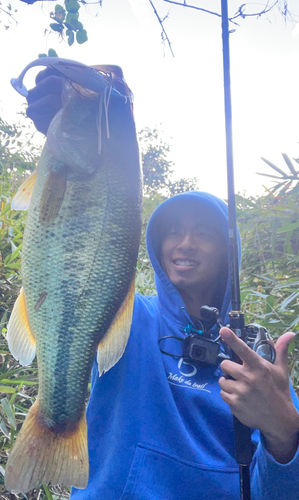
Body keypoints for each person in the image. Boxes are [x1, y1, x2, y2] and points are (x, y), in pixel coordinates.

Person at [24, 68, 299, 499]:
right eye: (173, 231)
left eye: (204, 233)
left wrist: (284, 432)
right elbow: (70, 270)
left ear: (229, 251)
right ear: (154, 242)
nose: (185, 243)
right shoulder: (127, 315)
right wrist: (73, 127)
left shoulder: (256, 361)